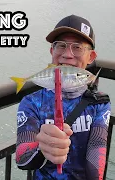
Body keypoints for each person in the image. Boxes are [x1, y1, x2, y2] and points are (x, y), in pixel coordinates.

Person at [15, 14, 111, 179]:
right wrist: (42, 147)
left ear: (91, 57)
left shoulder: (99, 103)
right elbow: (22, 160)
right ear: (52, 51)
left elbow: (97, 153)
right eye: (61, 45)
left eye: (78, 47)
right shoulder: (31, 102)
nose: (67, 54)